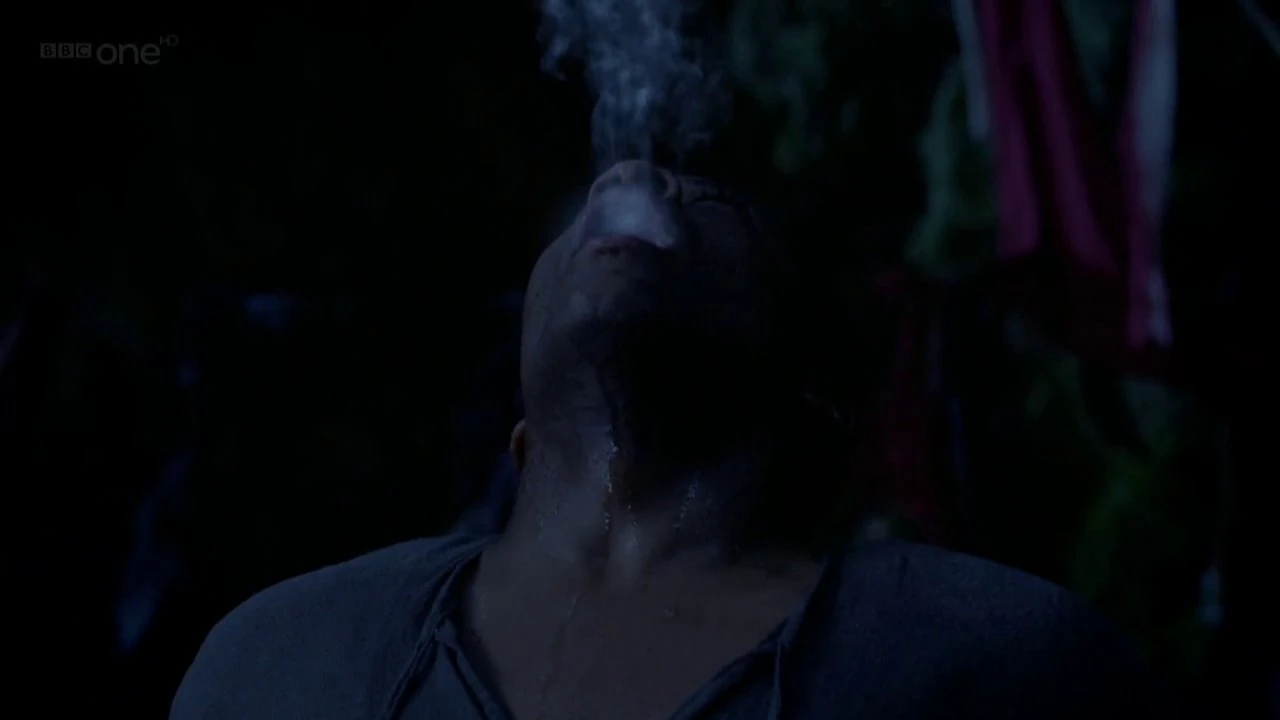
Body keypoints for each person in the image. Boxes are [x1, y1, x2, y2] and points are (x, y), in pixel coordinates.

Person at [171, 161, 1174, 720]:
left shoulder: (1005, 663)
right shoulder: (274, 665)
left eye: (721, 208)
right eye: (576, 225)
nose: (636, 179)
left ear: (811, 427)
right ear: (521, 442)